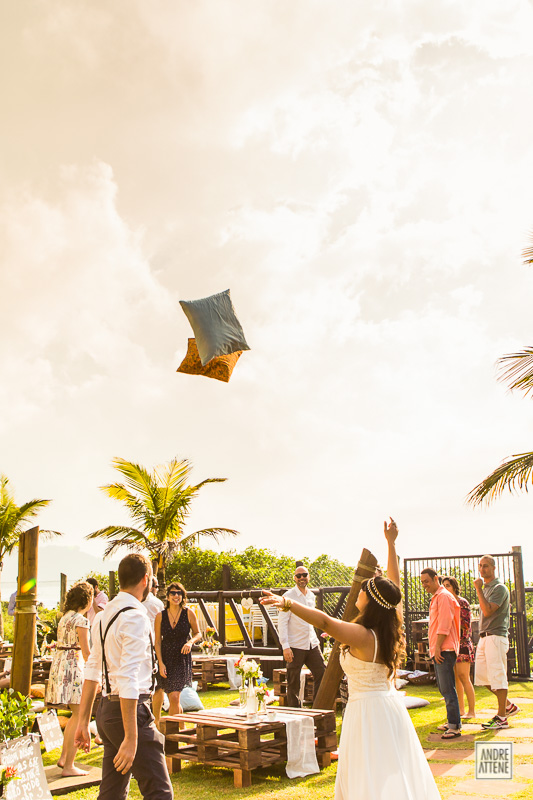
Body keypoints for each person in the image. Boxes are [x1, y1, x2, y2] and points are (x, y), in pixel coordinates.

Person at [262, 519, 439, 800]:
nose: (359, 592)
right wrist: (391, 543)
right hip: (389, 708)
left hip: (368, 713)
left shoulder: (362, 635)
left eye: (364, 590)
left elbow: (325, 622)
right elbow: (394, 585)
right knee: (388, 775)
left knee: (370, 778)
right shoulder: (390, 625)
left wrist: (286, 602)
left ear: (370, 601)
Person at [74, 553, 173, 800]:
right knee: (160, 793)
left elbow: (93, 669)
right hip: (130, 714)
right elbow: (128, 677)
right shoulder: (135, 616)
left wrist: (83, 722)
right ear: (145, 579)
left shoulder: (102, 616)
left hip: (107, 712)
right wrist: (131, 737)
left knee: (112, 794)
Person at [45, 581, 94, 776]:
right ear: (87, 600)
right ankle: (68, 765)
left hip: (59, 666)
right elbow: (86, 651)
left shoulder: (64, 618)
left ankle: (65, 758)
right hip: (73, 668)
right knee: (81, 714)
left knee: (76, 714)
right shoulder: (81, 620)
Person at [474, 554, 518, 729]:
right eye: (481, 565)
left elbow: (488, 610)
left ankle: (502, 717)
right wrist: (480, 589)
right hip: (484, 637)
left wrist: (478, 589)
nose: (482, 569)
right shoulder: (485, 588)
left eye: (486, 566)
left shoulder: (499, 588)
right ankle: (508, 706)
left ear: (493, 568)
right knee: (484, 678)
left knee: (498, 676)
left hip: (496, 637)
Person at [277, 564, 325, 707]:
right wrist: (285, 646)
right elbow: (282, 623)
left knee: (322, 672)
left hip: (311, 644)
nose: (302, 578)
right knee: (293, 682)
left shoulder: (311, 596)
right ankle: (295, 713)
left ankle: (317, 708)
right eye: (299, 576)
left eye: (304, 575)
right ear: (294, 578)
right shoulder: (288, 596)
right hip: (295, 645)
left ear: (308, 577)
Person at [420, 568, 461, 739]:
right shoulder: (437, 597)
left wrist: (437, 648)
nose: (424, 585)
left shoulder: (443, 596)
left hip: (445, 648)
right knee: (444, 688)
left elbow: (444, 624)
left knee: (447, 688)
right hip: (440, 648)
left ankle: (454, 726)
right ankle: (452, 721)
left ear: (435, 578)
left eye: (426, 581)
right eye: (422, 582)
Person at [153, 582, 201, 725]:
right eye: (173, 593)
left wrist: (190, 642)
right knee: (170, 696)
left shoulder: (189, 613)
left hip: (181, 658)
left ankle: (172, 734)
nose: (176, 596)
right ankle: (181, 727)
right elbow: (157, 642)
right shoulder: (160, 616)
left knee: (174, 697)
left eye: (179, 593)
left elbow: (198, 633)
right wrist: (160, 663)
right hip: (166, 658)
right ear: (167, 597)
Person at [442, 576, 476, 718]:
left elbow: (465, 625)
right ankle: (461, 710)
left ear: (454, 587)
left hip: (462, 644)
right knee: (456, 678)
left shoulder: (462, 602)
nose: (445, 588)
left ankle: (472, 711)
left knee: (464, 677)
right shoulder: (447, 602)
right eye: (443, 586)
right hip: (453, 645)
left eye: (448, 585)